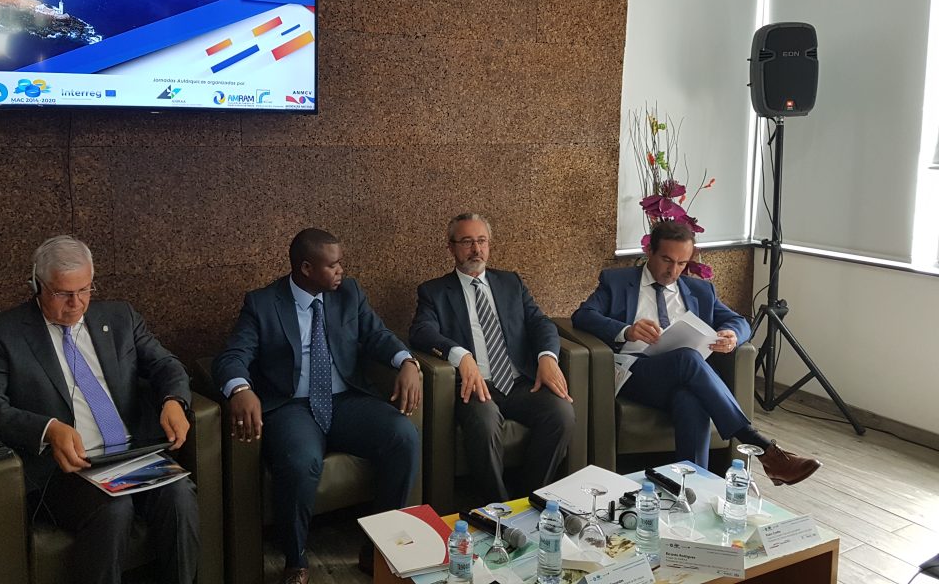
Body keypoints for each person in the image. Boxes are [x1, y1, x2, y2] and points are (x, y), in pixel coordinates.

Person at [0, 235, 199, 584]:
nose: (76, 303)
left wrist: (174, 401)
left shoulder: (120, 317)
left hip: (131, 454)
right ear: (37, 285)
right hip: (64, 471)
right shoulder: (1, 335)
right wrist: (47, 429)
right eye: (63, 293)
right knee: (114, 508)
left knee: (179, 494)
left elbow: (167, 365)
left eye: (85, 290)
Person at [213, 228, 421, 584]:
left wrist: (407, 361)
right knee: (299, 461)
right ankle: (296, 559)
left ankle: (379, 549)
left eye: (340, 263)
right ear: (306, 268)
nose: (341, 270)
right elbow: (233, 355)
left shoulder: (349, 293)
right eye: (333, 265)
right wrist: (240, 389)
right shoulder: (263, 303)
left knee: (403, 435)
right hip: (292, 406)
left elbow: (377, 335)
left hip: (346, 400)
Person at [572, 220, 821, 484]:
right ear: (650, 251)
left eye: (682, 263)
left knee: (691, 398)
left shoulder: (701, 291)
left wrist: (732, 335)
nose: (673, 271)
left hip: (683, 376)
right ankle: (762, 447)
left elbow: (739, 321)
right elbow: (583, 315)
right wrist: (627, 330)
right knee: (687, 358)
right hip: (635, 373)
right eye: (667, 260)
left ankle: (692, 486)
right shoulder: (617, 282)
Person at [409, 212, 575, 503]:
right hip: (475, 387)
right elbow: (421, 332)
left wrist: (547, 357)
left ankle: (531, 498)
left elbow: (540, 323)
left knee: (561, 414)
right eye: (467, 242)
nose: (476, 249)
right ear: (451, 247)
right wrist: (461, 356)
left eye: (482, 241)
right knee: (484, 423)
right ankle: (497, 507)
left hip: (519, 383)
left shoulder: (511, 282)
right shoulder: (434, 291)